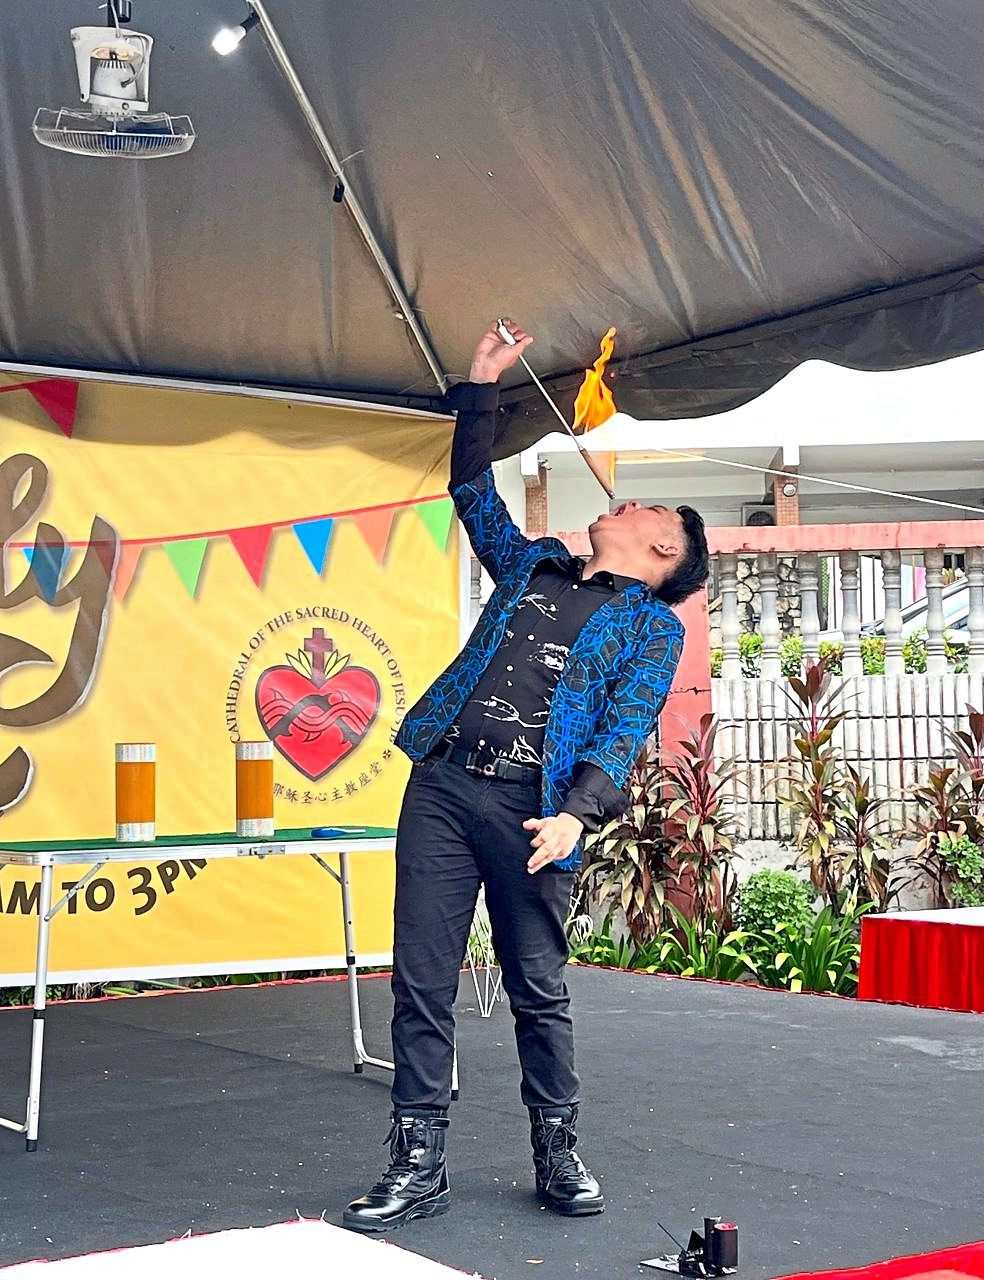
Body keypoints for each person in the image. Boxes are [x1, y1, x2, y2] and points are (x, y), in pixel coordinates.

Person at [343, 322, 710, 1233]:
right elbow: (472, 491)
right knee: (420, 979)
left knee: (536, 987)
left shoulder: (651, 629)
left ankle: (557, 1151)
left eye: (643, 510)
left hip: (532, 813)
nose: (623, 506)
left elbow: (624, 730)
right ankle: (417, 1162)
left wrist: (578, 816)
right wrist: (480, 385)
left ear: (662, 551)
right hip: (442, 783)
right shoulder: (532, 566)